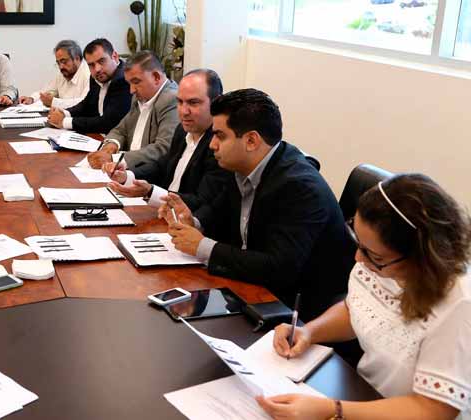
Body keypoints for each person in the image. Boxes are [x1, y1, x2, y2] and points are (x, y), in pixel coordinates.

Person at [258, 174, 471, 420]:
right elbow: (356, 309)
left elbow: (435, 410)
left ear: (422, 258)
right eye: (358, 242)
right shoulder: (378, 263)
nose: (359, 258)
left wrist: (333, 410)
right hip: (367, 395)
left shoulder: (459, 305)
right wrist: (309, 332)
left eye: (374, 255)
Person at [160, 88, 355, 321]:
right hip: (250, 290)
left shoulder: (299, 187)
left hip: (298, 311)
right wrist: (194, 223)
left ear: (251, 140)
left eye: (220, 136)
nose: (212, 145)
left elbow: (279, 267)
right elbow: (218, 213)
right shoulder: (242, 165)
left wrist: (202, 246)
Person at [103, 69, 230, 211]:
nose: (184, 111)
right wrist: (127, 176)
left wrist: (150, 192)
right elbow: (162, 166)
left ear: (216, 102)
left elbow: (202, 202)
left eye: (193, 103)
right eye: (180, 102)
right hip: (162, 212)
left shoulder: (219, 145)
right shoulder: (182, 130)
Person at [87, 50, 179, 169]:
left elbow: (164, 147)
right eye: (129, 83)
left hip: (149, 175)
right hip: (126, 170)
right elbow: (120, 130)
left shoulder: (172, 99)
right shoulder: (139, 97)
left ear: (156, 77)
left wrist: (115, 159)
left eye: (136, 82)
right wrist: (110, 146)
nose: (132, 90)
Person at [47, 38, 131, 136]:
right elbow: (87, 105)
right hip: (100, 136)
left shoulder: (124, 80)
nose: (97, 69)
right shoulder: (97, 77)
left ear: (115, 57)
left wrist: (64, 122)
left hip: (116, 140)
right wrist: (64, 113)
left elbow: (108, 122)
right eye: (91, 65)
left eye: (101, 61)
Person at [18, 39, 90, 109]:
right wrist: (31, 99)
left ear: (77, 59)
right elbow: (45, 91)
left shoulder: (89, 75)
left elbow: (85, 103)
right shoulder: (63, 74)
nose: (61, 67)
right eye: (58, 63)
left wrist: (54, 102)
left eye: (64, 62)